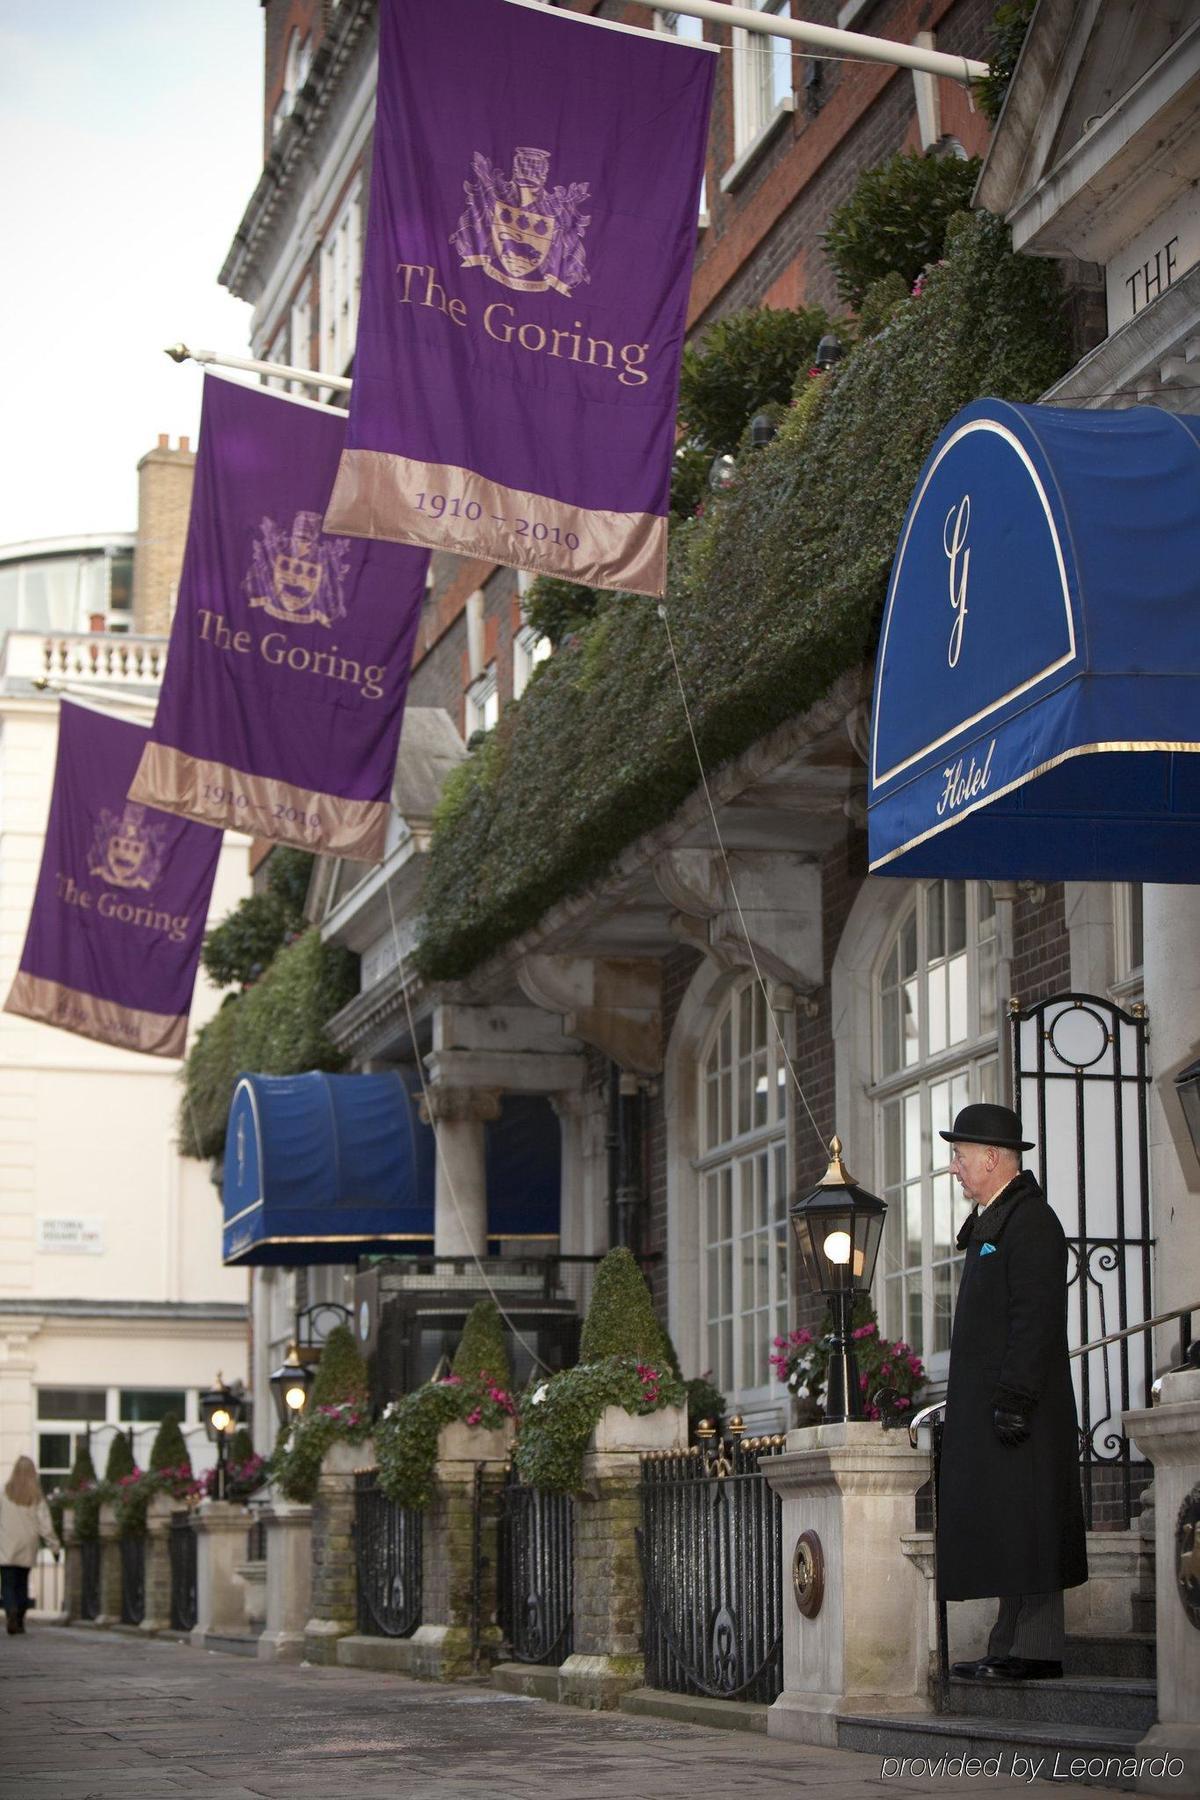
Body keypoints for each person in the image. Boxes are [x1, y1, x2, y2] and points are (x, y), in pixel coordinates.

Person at [936, 1102, 1087, 1682]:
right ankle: (1008, 1643)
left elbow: (1036, 1318)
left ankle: (1038, 1649)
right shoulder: (998, 1221)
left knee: (1032, 1524)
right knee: (1010, 1524)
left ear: (993, 1158)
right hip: (997, 1406)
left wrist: (1015, 1398)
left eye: (961, 1156)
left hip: (1024, 1409)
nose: (955, 1168)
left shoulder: (1031, 1222)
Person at [0, 1455, 61, 1635]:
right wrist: (55, 1547)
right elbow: (45, 1525)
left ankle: (10, 1610)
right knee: (22, 1583)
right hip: (28, 1544)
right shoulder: (36, 1498)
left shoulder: (4, 1494)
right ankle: (19, 1619)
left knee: (8, 1584)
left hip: (6, 1544)